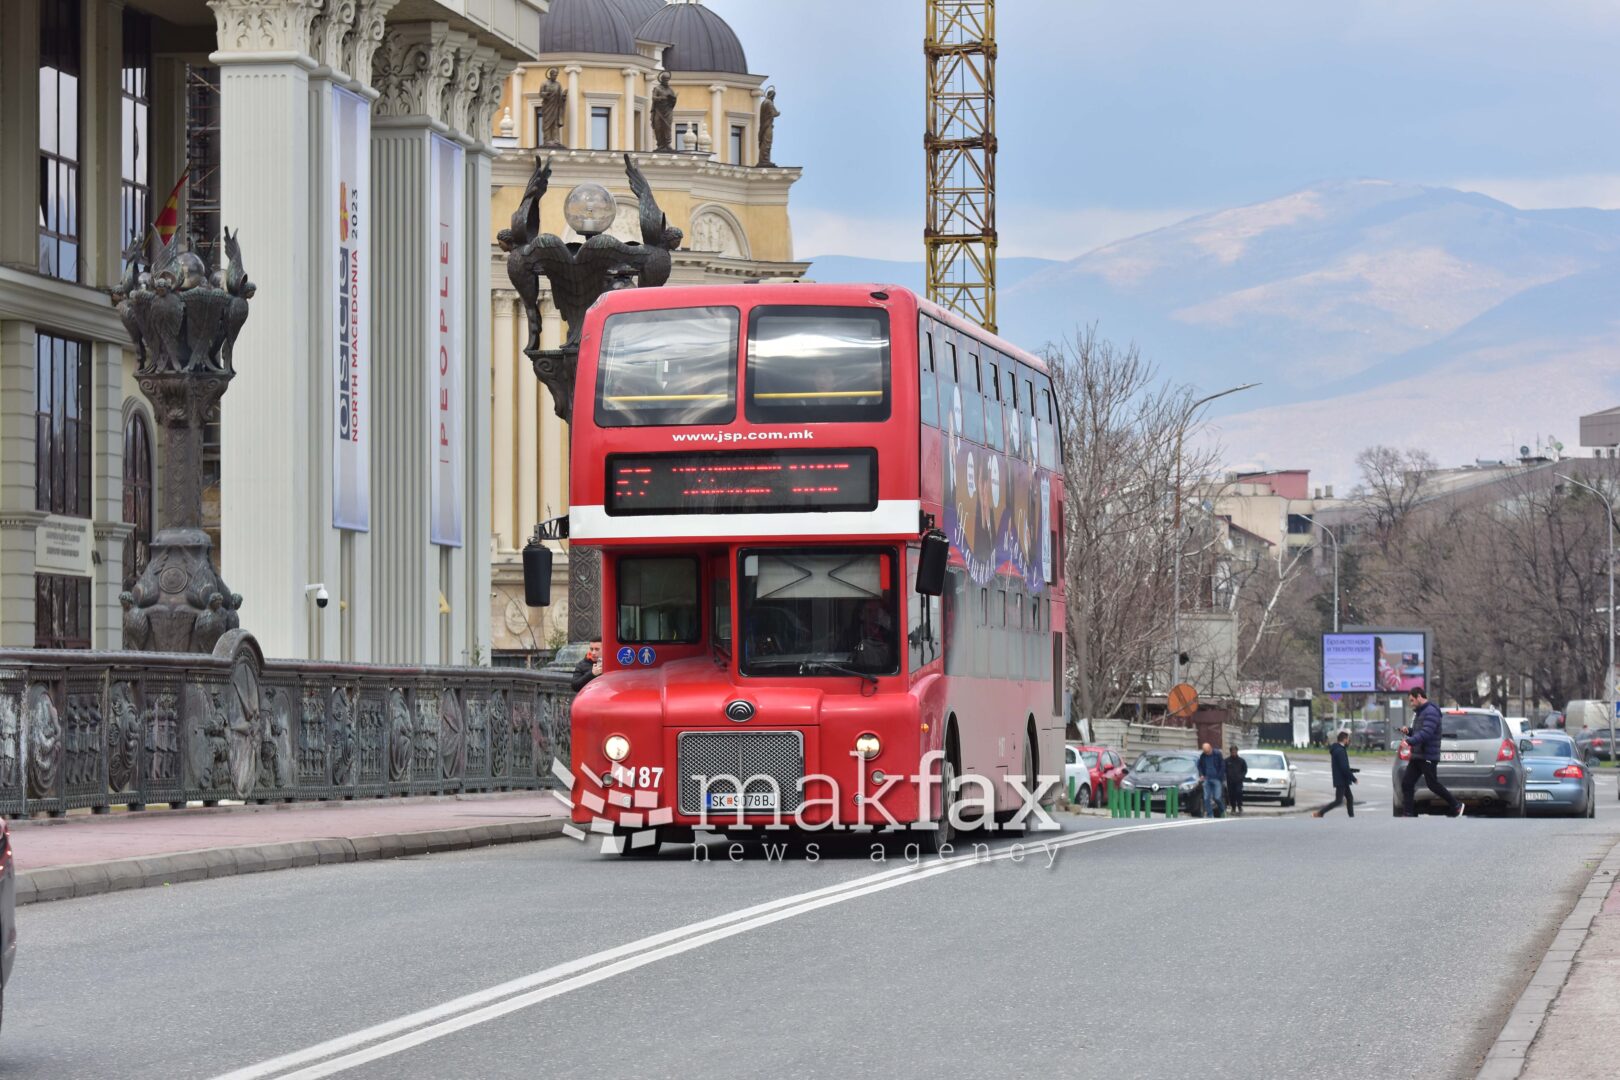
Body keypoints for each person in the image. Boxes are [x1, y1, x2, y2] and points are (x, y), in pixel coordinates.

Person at [1398, 685, 1463, 817]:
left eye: (1412, 700)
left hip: (1427, 755)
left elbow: (1427, 733)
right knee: (1407, 783)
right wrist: (1409, 732)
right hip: (1418, 755)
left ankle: (1456, 805)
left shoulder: (1431, 711)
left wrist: (1409, 741)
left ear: (1420, 697)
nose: (1411, 704)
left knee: (1432, 784)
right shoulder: (1421, 712)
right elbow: (1419, 732)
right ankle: (1408, 813)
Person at [1313, 731, 1358, 817]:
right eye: (1348, 739)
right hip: (1341, 780)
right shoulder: (1340, 751)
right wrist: (1353, 778)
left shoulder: (1337, 749)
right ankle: (1320, 813)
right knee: (1338, 800)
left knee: (1349, 798)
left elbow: (1342, 766)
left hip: (1342, 779)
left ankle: (1351, 816)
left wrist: (1351, 771)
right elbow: (1344, 767)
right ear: (1344, 739)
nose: (1349, 741)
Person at [1196, 742, 1225, 818]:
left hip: (1216, 779)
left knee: (1217, 797)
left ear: (1211, 748)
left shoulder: (1217, 754)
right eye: (1205, 752)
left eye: (1208, 752)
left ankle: (1222, 811)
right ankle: (1210, 814)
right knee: (1206, 798)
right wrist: (1202, 774)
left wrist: (1219, 776)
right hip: (1207, 779)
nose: (1207, 753)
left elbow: (1222, 765)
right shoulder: (1203, 756)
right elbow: (1199, 766)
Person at [1224, 745, 1248, 815]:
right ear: (1230, 752)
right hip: (1230, 781)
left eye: (1235, 751)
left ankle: (1240, 806)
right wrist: (1227, 776)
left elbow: (1245, 770)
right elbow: (1224, 770)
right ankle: (1233, 807)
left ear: (1237, 752)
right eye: (1232, 752)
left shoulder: (1241, 761)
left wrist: (1241, 777)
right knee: (1231, 794)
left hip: (1238, 781)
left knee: (1239, 792)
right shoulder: (1226, 761)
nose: (1234, 753)